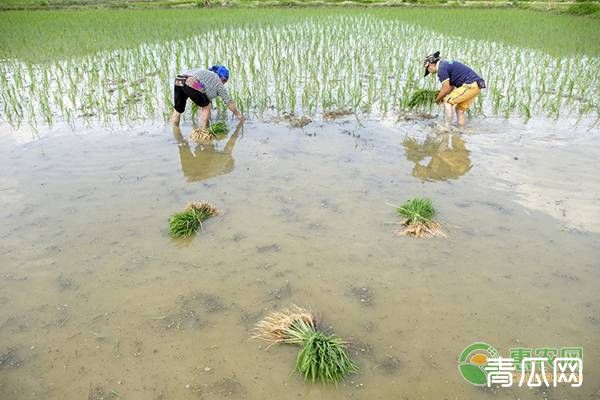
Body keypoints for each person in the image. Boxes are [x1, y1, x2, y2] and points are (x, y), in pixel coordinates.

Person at [424, 51, 485, 128]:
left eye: (428, 70)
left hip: (470, 85)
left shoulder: (441, 69)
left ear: (430, 65)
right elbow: (450, 87)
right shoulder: (445, 64)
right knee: (460, 110)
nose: (430, 72)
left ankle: (446, 128)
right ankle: (461, 130)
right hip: (477, 85)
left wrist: (438, 99)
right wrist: (441, 94)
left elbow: (446, 87)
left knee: (447, 100)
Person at [171, 65, 244, 127]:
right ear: (223, 78)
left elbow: (202, 96)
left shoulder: (207, 75)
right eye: (225, 80)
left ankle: (175, 130)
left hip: (179, 80)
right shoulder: (218, 82)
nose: (224, 83)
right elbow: (229, 103)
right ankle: (203, 133)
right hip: (191, 82)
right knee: (206, 106)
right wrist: (239, 115)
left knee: (178, 110)